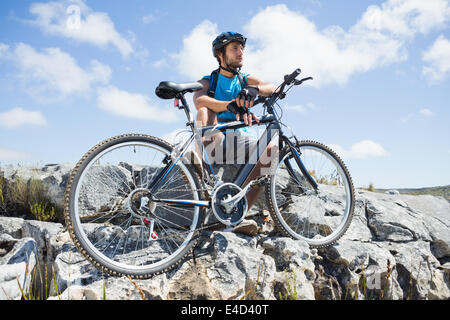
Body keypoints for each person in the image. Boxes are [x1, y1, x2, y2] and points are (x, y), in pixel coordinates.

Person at [193, 31, 277, 209]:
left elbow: (272, 87)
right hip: (216, 140)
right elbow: (199, 100)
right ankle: (200, 169)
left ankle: (241, 210)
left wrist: (254, 89)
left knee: (271, 150)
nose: (240, 53)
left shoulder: (243, 79)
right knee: (204, 111)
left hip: (240, 139)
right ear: (220, 54)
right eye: (234, 48)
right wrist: (229, 104)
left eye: (242, 49)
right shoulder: (210, 81)